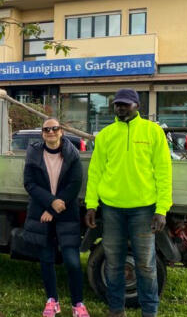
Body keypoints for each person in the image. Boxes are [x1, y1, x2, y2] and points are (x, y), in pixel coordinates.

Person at [84, 88, 172, 317]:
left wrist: (161, 209)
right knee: (113, 264)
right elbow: (95, 172)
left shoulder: (152, 132)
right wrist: (91, 204)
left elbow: (164, 172)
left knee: (145, 265)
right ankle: (116, 310)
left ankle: (149, 312)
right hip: (112, 209)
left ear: (137, 106)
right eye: (117, 104)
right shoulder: (105, 135)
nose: (120, 108)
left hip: (143, 210)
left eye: (125, 104)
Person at [23, 118, 90, 317]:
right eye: (46, 129)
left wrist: (53, 209)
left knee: (72, 261)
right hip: (41, 212)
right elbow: (29, 183)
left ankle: (78, 304)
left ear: (61, 131)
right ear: (42, 133)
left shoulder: (72, 154)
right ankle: (52, 300)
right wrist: (50, 203)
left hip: (66, 214)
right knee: (46, 259)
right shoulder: (34, 154)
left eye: (54, 128)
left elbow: (74, 184)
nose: (50, 132)